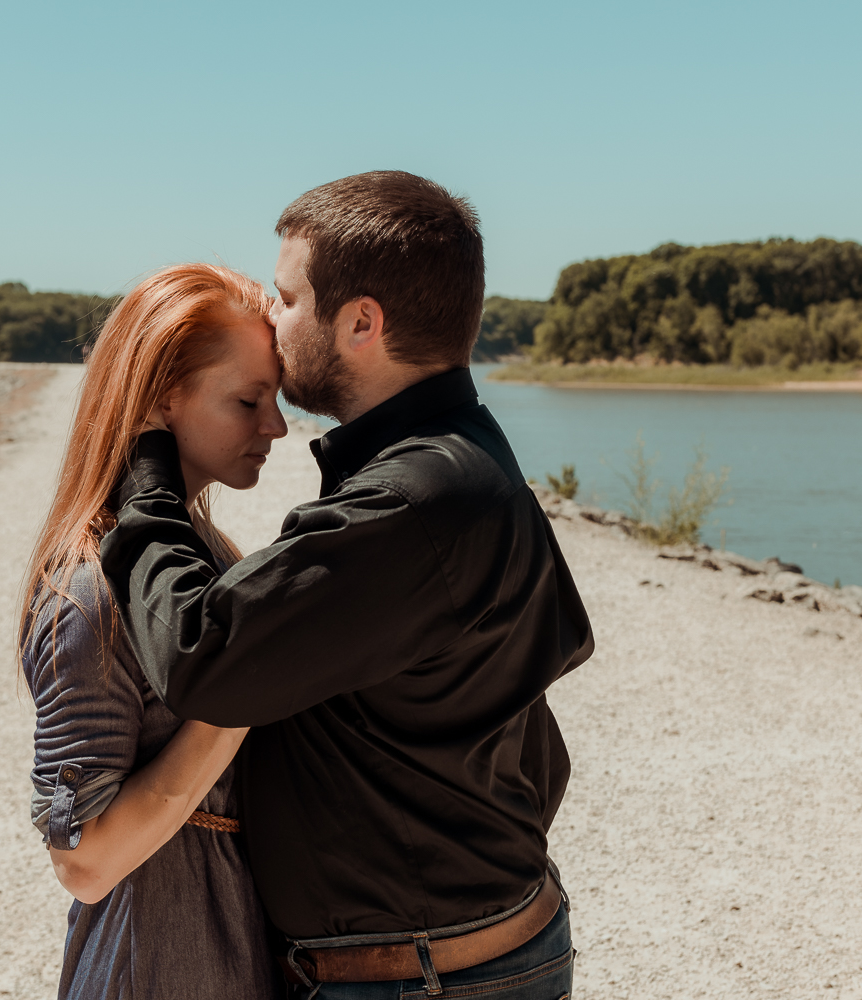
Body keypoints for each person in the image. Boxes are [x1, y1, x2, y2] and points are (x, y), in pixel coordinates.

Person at [99, 171, 595, 998]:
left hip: (422, 975)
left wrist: (146, 470)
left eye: (287, 297)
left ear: (361, 322)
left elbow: (202, 655)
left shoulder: (414, 498)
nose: (270, 316)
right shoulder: (457, 457)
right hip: (462, 957)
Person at [18, 263, 286, 999]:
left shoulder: (213, 555)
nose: (277, 426)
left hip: (228, 946)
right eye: (248, 400)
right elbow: (85, 861)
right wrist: (242, 695)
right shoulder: (89, 592)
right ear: (162, 395)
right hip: (155, 964)